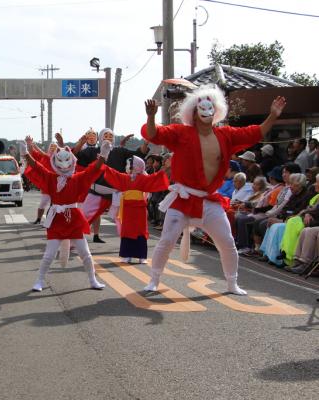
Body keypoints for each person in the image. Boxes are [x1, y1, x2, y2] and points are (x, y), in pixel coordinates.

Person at [142, 85, 286, 295]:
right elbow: (155, 135)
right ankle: (154, 280)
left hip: (209, 201)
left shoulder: (225, 135)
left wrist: (273, 115)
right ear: (193, 112)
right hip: (183, 199)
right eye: (201, 107)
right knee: (166, 240)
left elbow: (254, 133)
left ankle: (231, 283)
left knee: (227, 242)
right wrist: (151, 117)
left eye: (211, 106)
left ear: (216, 110)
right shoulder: (181, 133)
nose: (206, 111)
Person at [19, 141, 111, 291]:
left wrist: (104, 155)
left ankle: (93, 279)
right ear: (55, 161)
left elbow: (93, 170)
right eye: (59, 161)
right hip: (56, 218)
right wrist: (25, 154)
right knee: (49, 255)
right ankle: (40, 280)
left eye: (66, 160)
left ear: (72, 161)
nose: (63, 164)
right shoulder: (51, 177)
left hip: (73, 218)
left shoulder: (77, 178)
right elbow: (38, 167)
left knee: (86, 254)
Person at [104, 156, 169, 263]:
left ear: (136, 166)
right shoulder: (126, 177)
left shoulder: (143, 178)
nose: (128, 166)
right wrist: (103, 163)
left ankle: (141, 256)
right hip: (128, 208)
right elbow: (114, 174)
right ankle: (127, 255)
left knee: (140, 230)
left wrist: (164, 169)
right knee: (127, 230)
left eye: (130, 164)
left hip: (139, 208)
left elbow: (155, 177)